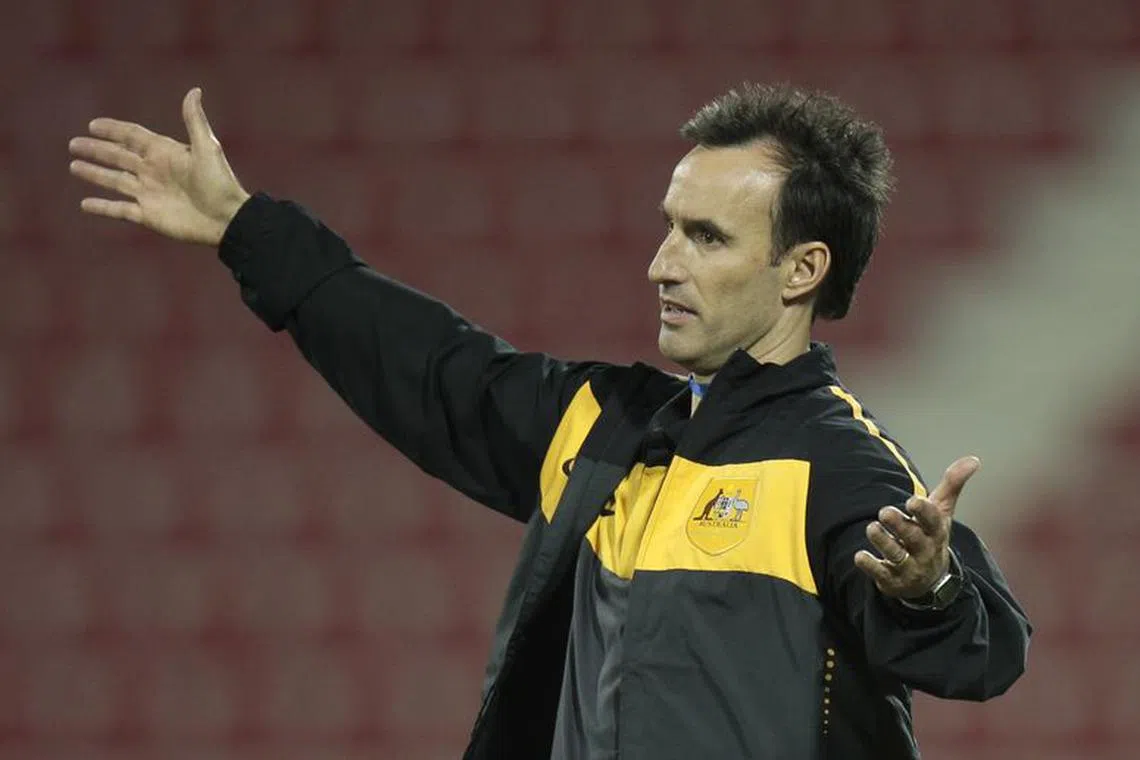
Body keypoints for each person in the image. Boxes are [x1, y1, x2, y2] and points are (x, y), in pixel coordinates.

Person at [67, 82, 1031, 760]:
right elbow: (428, 366)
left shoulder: (839, 464)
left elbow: (983, 650)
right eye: (668, 224)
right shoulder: (606, 425)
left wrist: (927, 587)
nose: (661, 263)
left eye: (705, 236)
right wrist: (248, 229)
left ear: (802, 270)